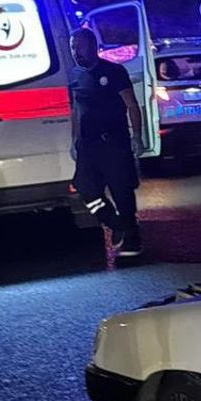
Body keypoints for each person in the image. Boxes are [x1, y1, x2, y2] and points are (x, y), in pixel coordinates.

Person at [69, 28, 145, 256]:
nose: (75, 52)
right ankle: (116, 223)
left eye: (79, 47)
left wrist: (137, 137)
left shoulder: (113, 72)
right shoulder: (74, 76)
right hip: (87, 145)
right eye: (73, 47)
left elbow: (131, 104)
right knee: (85, 189)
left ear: (93, 46)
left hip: (113, 142)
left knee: (121, 190)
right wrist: (74, 140)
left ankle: (132, 237)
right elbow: (76, 110)